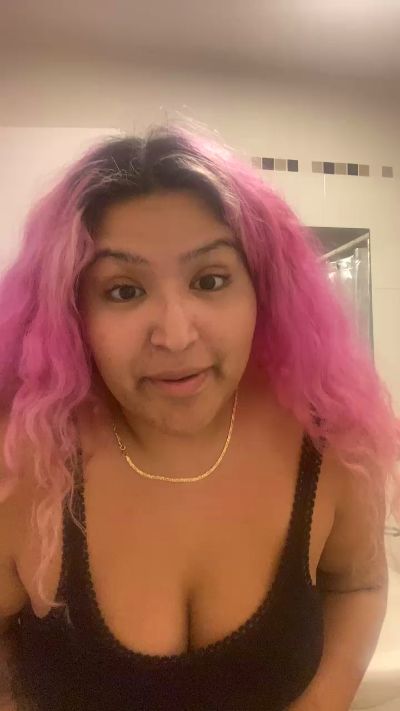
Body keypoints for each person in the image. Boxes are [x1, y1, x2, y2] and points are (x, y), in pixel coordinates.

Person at [0, 123, 398, 711]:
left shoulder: (328, 438)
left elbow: (359, 583)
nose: (176, 335)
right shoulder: (22, 464)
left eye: (210, 280)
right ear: (71, 312)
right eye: (123, 290)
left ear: (263, 292)